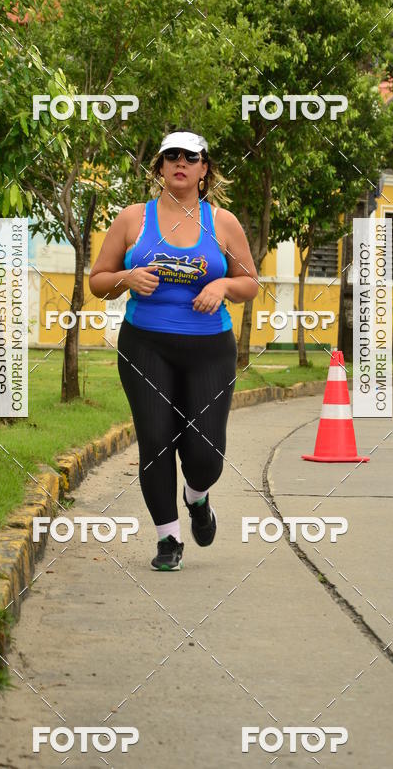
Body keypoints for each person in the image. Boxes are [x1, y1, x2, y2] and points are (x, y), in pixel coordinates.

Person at [89, 130, 259, 570]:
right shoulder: (132, 219)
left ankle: (197, 497)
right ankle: (168, 539)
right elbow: (98, 280)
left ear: (204, 168)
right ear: (160, 167)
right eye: (171, 156)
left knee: (205, 453)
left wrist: (222, 284)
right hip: (146, 345)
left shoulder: (222, 222)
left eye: (190, 156)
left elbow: (250, 284)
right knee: (156, 442)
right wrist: (127, 278)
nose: (180, 162)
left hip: (209, 349)